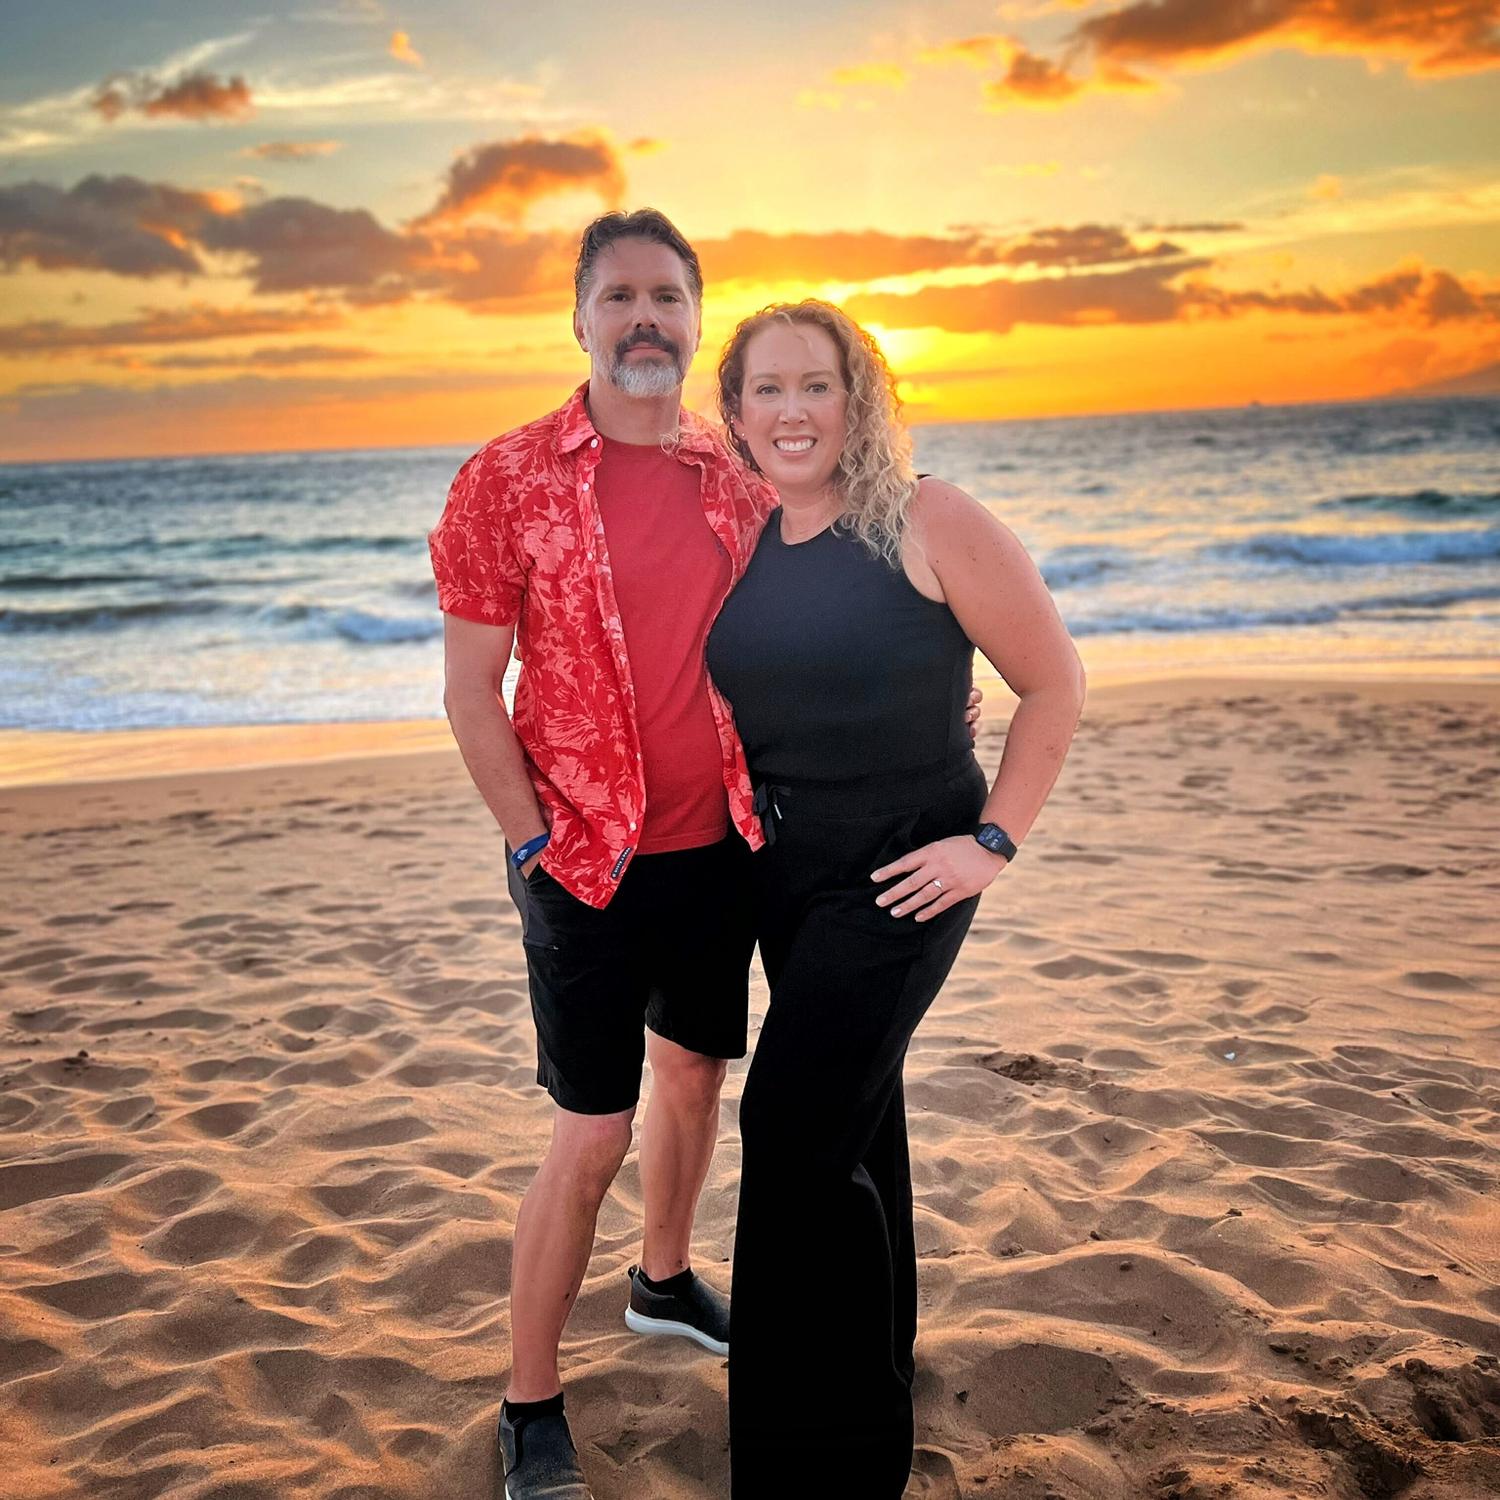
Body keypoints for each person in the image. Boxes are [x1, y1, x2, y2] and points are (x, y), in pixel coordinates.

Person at [704, 300, 1086, 1496]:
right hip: (784, 871)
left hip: (908, 868)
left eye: (816, 386)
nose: (792, 411)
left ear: (858, 399)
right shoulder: (746, 536)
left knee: (792, 1131)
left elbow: (1054, 685)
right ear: (736, 415)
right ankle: (874, 1388)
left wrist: (991, 843)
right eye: (767, 390)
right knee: (859, 1122)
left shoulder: (928, 518)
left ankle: (823, 1458)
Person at [429, 209, 773, 1500]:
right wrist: (530, 842)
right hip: (581, 860)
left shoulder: (738, 471)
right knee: (593, 1128)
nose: (645, 319)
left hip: (718, 848)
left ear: (696, 321)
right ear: (578, 318)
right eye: (620, 296)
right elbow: (473, 691)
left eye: (668, 299)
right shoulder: (505, 479)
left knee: (695, 1075)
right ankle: (529, 1407)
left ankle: (665, 1279)